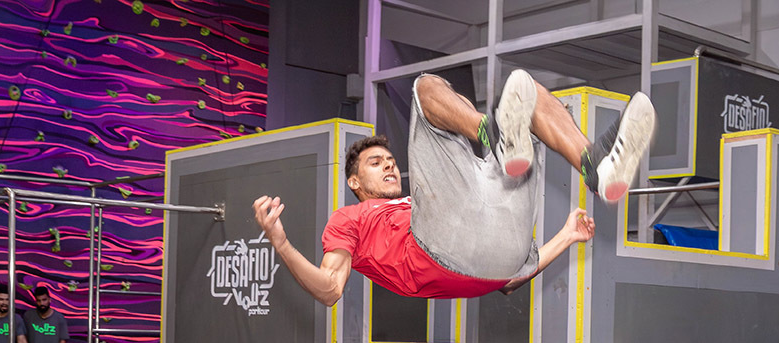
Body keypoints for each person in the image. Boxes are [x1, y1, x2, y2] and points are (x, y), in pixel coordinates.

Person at [253, 69, 656, 305]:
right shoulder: (349, 218)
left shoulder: (418, 201)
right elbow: (329, 290)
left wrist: (566, 236)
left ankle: (596, 166)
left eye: (390, 160)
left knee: (531, 94)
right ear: (353, 181)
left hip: (500, 259)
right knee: (426, 87)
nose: (389, 165)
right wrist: (281, 243)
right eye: (375, 163)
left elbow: (510, 280)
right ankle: (495, 134)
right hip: (434, 250)